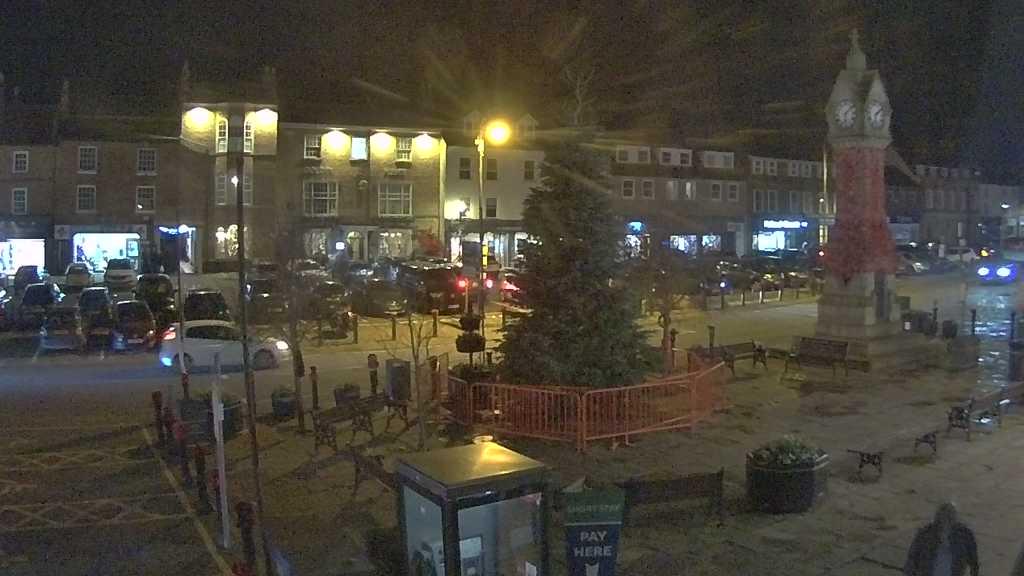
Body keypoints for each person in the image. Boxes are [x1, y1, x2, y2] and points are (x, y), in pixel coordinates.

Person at [903, 502, 979, 576]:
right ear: (937, 518)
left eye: (949, 517)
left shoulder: (964, 535)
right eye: (943, 516)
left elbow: (974, 563)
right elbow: (911, 561)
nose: (945, 520)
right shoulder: (925, 534)